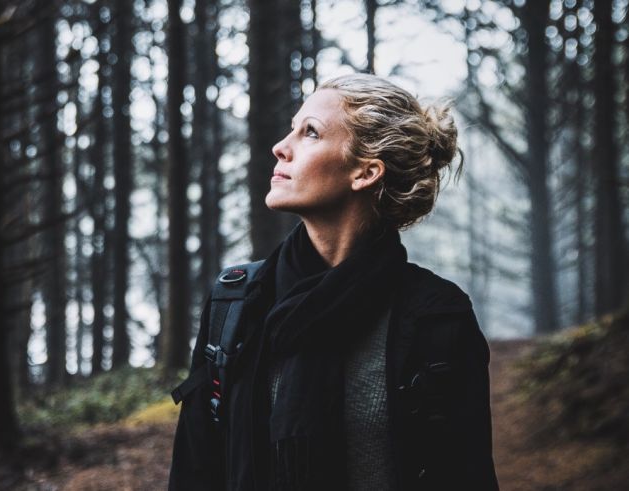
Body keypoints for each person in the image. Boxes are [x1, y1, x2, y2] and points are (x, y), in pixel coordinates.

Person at [168, 73, 499, 490]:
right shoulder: (235, 302)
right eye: (293, 128)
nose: (280, 147)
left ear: (365, 172)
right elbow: (194, 473)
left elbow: (466, 478)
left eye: (310, 132)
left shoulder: (438, 318)